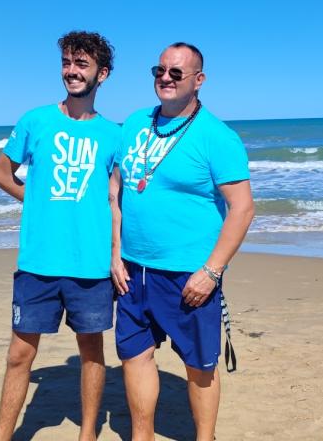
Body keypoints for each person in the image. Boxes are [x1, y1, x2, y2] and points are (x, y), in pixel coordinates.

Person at [109, 42, 255, 441]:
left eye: (177, 72)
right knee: (134, 356)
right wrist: (115, 253)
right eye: (160, 70)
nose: (166, 78)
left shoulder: (217, 136)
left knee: (199, 366)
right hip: (132, 270)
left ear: (198, 80)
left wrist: (211, 272)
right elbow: (116, 194)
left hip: (189, 275)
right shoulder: (135, 123)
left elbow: (242, 209)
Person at [0, 31, 119, 441]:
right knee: (19, 355)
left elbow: (118, 201)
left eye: (81, 64)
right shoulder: (36, 120)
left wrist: (119, 255)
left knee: (91, 352)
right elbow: (0, 173)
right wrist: (36, 200)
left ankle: (88, 435)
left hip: (91, 263)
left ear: (103, 73)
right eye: (67, 63)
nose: (72, 71)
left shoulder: (114, 135)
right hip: (38, 261)